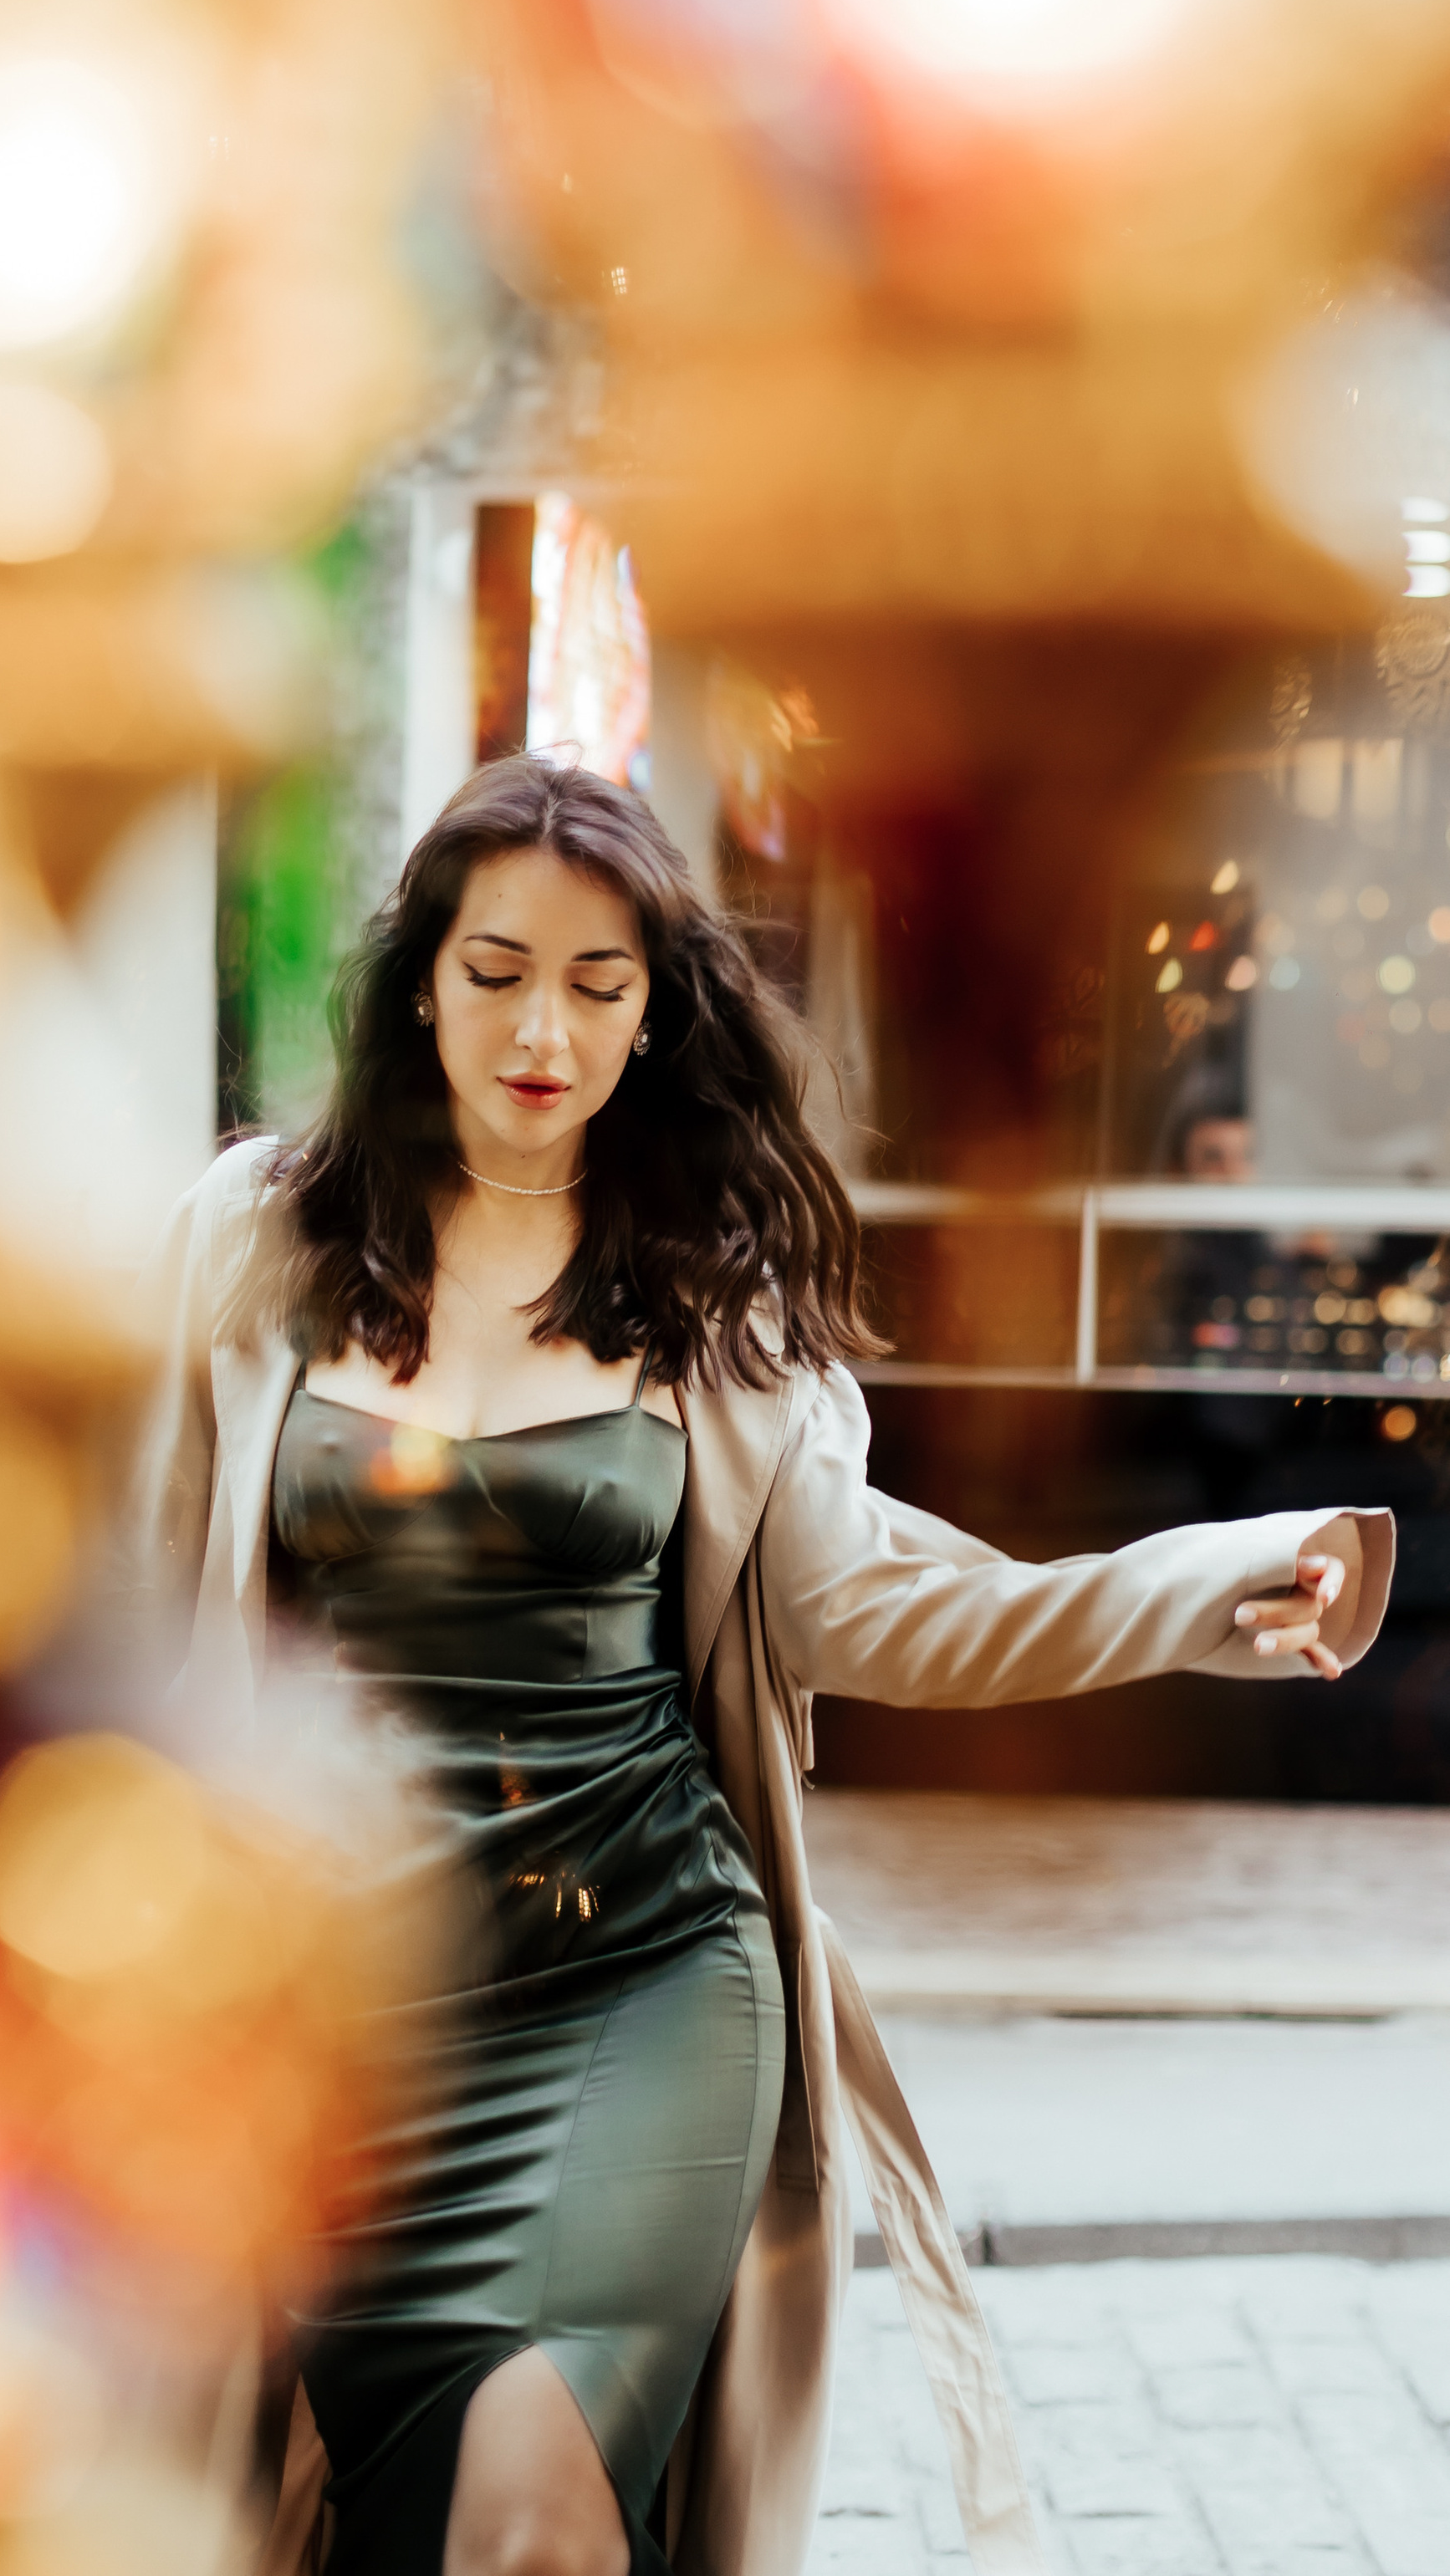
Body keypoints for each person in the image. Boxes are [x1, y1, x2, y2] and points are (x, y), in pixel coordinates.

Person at [125, 757, 1391, 2576]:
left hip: (636, 1984)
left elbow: (880, 1607)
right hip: (338, 2017)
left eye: (595, 980)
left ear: (654, 1012)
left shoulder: (705, 1312)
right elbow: (130, 1584)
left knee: (532, 2516)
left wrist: (1205, 1582)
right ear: (417, 979)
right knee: (384, 2508)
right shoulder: (251, 1242)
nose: (540, 1027)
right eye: (494, 972)